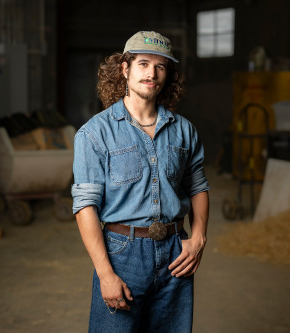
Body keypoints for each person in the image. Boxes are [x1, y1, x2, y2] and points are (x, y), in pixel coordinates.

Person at [71, 31, 210, 333]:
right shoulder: (95, 133)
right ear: (125, 69)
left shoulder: (184, 130)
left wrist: (198, 237)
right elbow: (85, 207)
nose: (152, 73)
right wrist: (105, 273)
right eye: (143, 63)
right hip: (122, 254)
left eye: (160, 66)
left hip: (176, 252)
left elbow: (198, 186)